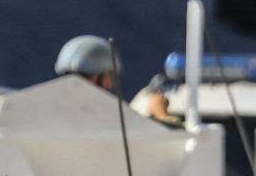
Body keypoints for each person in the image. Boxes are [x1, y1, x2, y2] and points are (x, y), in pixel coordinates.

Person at [54, 35, 183, 127]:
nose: (110, 84)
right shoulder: (104, 116)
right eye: (108, 76)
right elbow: (175, 144)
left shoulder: (51, 111)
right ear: (94, 77)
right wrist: (161, 114)